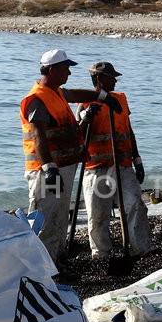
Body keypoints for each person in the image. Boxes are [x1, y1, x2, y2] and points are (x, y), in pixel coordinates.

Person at [20, 48, 123, 281]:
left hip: (61, 168)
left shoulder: (55, 92)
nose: (68, 71)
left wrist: (102, 97)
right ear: (51, 70)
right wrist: (49, 168)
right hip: (47, 172)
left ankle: (56, 265)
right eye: (65, 67)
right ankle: (41, 272)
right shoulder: (37, 99)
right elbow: (38, 137)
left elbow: (74, 94)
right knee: (45, 219)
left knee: (58, 217)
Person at [75, 62, 154, 260]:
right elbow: (77, 134)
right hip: (96, 168)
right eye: (111, 78)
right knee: (98, 214)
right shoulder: (85, 103)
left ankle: (140, 248)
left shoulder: (121, 99)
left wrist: (138, 160)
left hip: (123, 165)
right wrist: (85, 117)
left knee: (135, 204)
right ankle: (101, 253)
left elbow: (128, 129)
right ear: (99, 80)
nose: (115, 81)